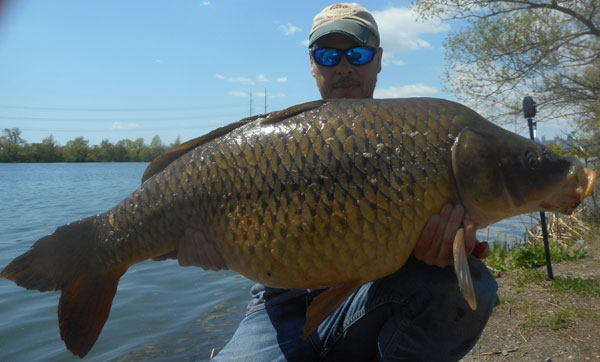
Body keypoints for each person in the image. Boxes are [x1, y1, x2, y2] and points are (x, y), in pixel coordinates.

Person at [178, 3, 499, 361]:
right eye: (329, 56)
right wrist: (219, 248)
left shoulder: (417, 138)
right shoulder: (276, 144)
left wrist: (446, 250)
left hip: (374, 293)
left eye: (357, 54)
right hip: (278, 305)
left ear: (377, 60)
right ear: (313, 65)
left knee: (467, 285)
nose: (344, 66)